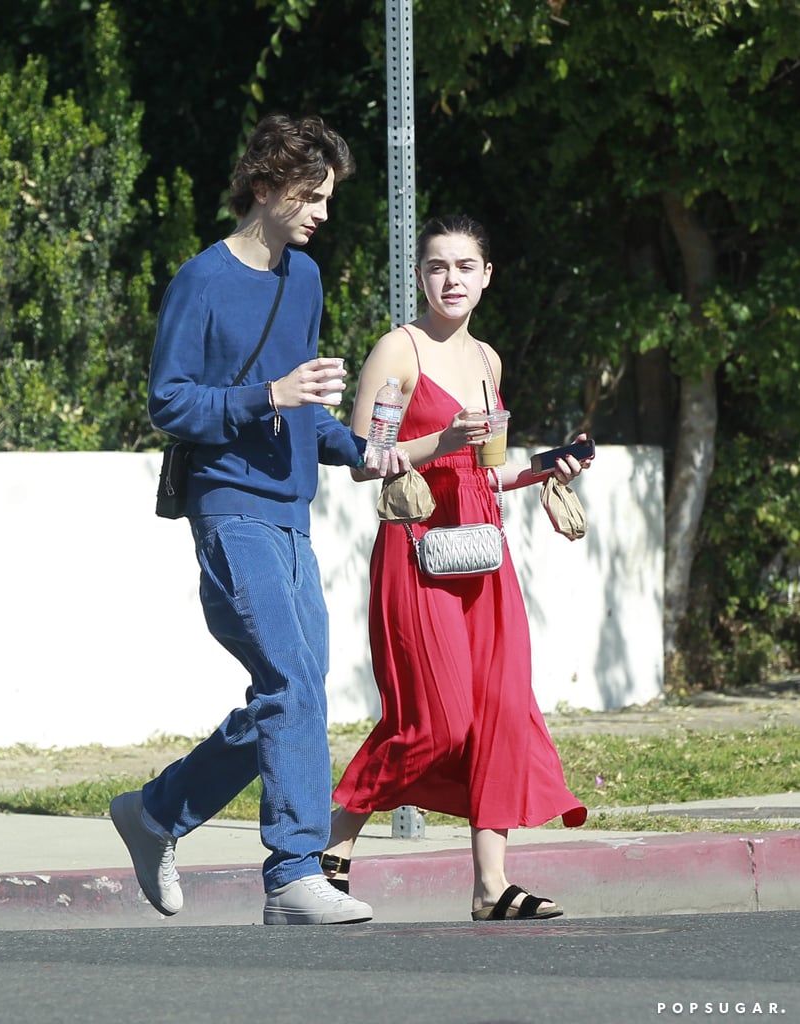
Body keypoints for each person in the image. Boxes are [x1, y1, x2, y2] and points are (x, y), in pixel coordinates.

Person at [110, 114, 395, 926]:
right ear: (264, 188)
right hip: (229, 509)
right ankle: (295, 872)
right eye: (309, 196)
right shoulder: (201, 280)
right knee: (293, 684)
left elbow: (302, 399)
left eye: (328, 198)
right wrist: (264, 396)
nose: (320, 214)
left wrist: (357, 450)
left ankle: (157, 811)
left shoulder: (301, 279)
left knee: (289, 694)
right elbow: (169, 401)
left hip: (291, 513)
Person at [320, 214, 590, 921]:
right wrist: (440, 436)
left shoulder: (487, 361)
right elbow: (360, 460)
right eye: (437, 266)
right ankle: (328, 845)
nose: (450, 279)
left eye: (464, 267)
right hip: (418, 558)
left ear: (485, 276)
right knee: (432, 723)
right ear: (420, 275)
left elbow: (485, 477)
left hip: (484, 558)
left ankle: (490, 886)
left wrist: (544, 470)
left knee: (500, 713)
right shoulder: (398, 352)